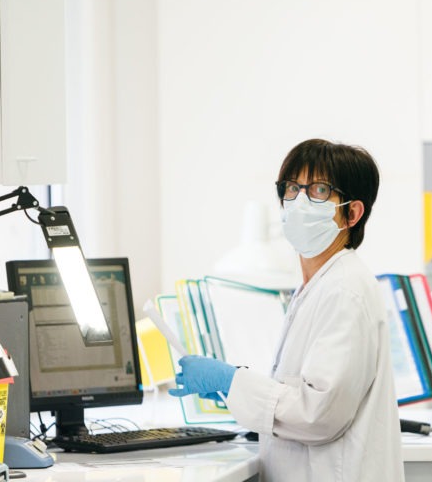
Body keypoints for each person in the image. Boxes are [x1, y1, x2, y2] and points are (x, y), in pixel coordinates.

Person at [170, 138, 404, 481]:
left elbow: (318, 414)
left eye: (320, 190)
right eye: (292, 188)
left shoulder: (344, 290)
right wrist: (232, 390)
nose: (299, 201)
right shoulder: (319, 285)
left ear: (352, 212)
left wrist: (232, 380)